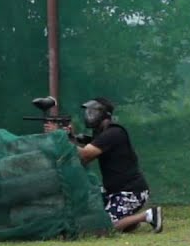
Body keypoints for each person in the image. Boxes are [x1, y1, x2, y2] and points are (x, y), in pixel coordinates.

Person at [47, 97, 162, 234]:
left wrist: (60, 137)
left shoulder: (113, 133)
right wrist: (70, 138)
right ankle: (129, 222)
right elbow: (82, 158)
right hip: (114, 191)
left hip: (131, 192)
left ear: (104, 114)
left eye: (92, 112)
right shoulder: (102, 134)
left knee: (102, 227)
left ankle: (149, 215)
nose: (88, 115)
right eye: (88, 112)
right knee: (90, 217)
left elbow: (84, 155)